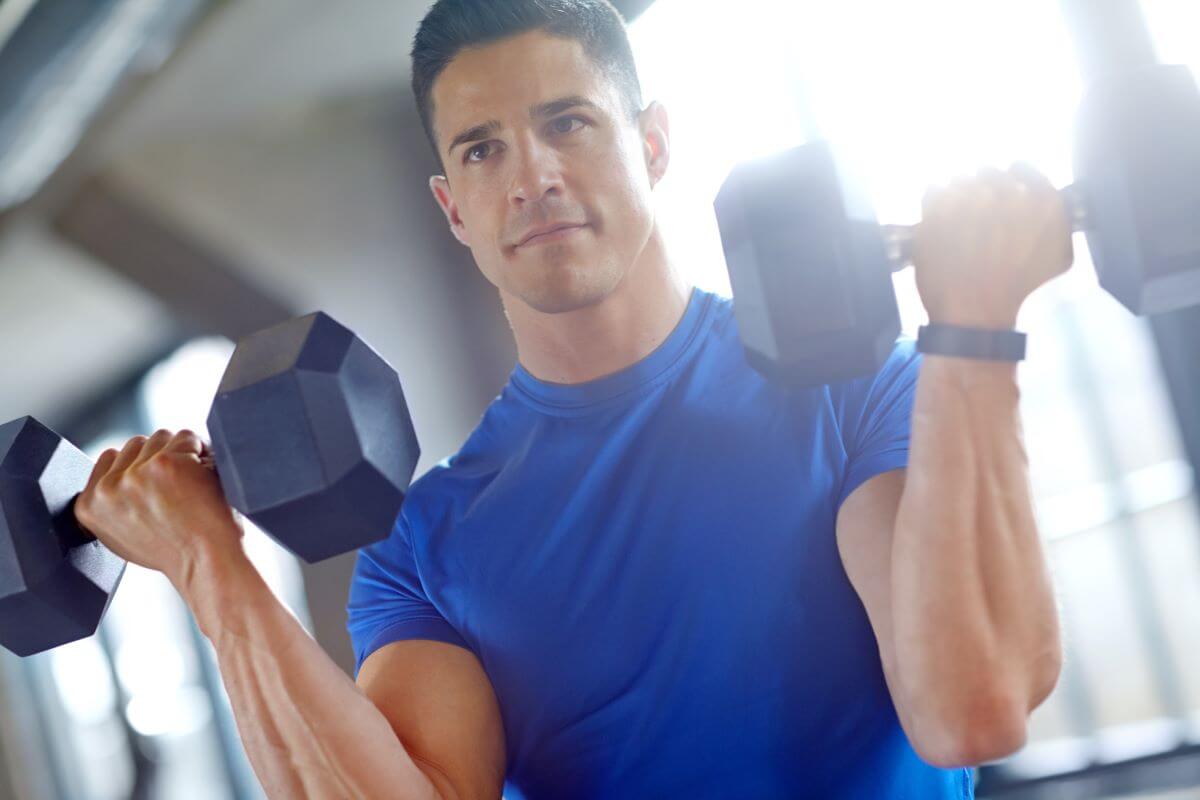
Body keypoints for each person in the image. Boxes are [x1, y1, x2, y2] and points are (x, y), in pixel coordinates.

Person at [75, 0, 1072, 797]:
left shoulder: (849, 393)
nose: (533, 177)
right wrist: (211, 568)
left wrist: (974, 333)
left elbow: (968, 711)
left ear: (653, 144)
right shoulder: (428, 543)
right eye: (482, 148)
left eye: (568, 123)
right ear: (451, 207)